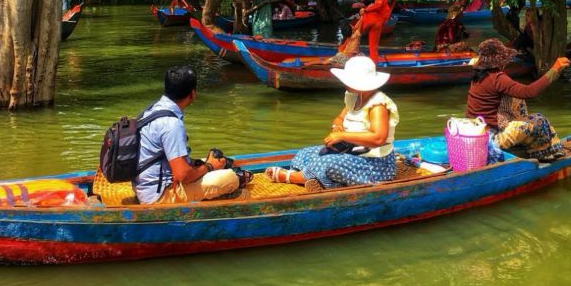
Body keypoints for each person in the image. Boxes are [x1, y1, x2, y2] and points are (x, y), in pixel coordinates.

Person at [265, 56, 400, 190]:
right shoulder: (354, 98)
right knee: (305, 153)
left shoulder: (378, 106)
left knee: (327, 163)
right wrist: (337, 127)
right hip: (350, 152)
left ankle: (292, 177)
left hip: (374, 164)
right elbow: (339, 119)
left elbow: (378, 138)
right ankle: (322, 181)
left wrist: (342, 136)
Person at [132, 65, 240, 204]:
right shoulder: (172, 124)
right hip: (158, 196)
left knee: (206, 162)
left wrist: (202, 164)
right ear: (192, 93)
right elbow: (182, 175)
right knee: (231, 178)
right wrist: (209, 167)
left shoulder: (152, 109)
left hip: (144, 187)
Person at [466, 38, 570, 163]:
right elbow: (529, 92)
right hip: (491, 140)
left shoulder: (477, 76)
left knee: (530, 116)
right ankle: (544, 154)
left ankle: (545, 149)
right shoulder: (497, 78)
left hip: (476, 134)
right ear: (498, 60)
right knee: (539, 120)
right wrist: (555, 69)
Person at [359, 0, 394, 64]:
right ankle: (373, 64)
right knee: (373, 47)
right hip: (378, 22)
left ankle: (347, 56)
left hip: (372, 20)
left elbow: (378, 5)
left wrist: (366, 10)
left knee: (354, 37)